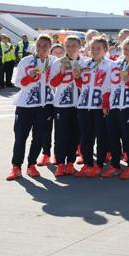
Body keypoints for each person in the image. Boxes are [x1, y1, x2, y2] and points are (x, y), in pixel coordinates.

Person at [5, 35, 54, 180]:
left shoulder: (54, 62)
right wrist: (29, 77)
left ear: (50, 47)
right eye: (39, 45)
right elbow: (18, 82)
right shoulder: (26, 61)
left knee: (38, 137)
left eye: (45, 45)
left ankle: (31, 165)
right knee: (20, 136)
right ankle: (16, 166)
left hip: (45, 105)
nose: (41, 48)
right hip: (25, 105)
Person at [103, 37, 129, 180]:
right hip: (115, 105)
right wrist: (105, 103)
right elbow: (107, 85)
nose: (128, 52)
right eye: (125, 49)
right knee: (113, 136)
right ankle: (115, 165)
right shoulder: (114, 65)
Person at [75, 35, 116, 177]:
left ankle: (99, 164)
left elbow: (111, 86)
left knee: (101, 136)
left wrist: (105, 103)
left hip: (100, 106)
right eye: (92, 48)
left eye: (98, 48)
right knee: (85, 136)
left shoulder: (111, 65)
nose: (95, 50)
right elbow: (81, 84)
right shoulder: (84, 63)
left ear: (105, 49)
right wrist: (77, 77)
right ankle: (87, 163)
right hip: (84, 104)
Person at [48, 35, 84, 176]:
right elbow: (52, 84)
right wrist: (62, 73)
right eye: (67, 46)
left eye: (74, 45)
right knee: (61, 135)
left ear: (80, 46)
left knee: (75, 134)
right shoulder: (58, 62)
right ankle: (61, 164)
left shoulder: (84, 62)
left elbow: (87, 85)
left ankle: (70, 163)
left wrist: (78, 77)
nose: (70, 48)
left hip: (79, 104)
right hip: (62, 104)